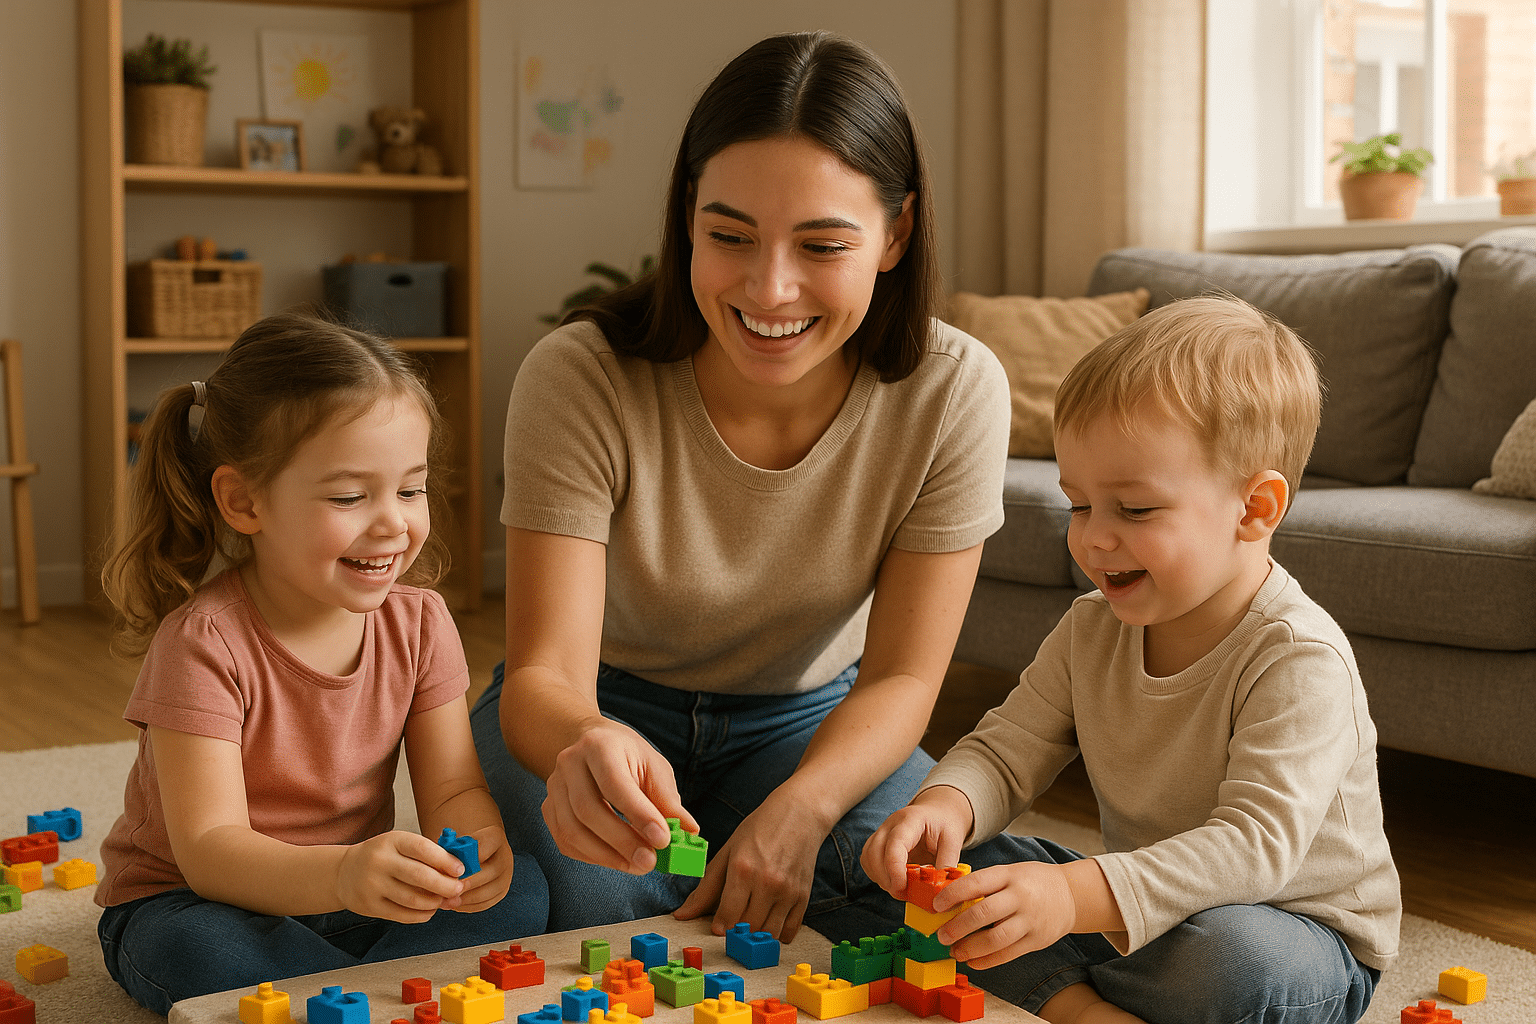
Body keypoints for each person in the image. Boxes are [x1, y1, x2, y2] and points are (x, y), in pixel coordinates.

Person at [471, 30, 1010, 943]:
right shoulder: (580, 375)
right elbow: (542, 675)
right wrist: (582, 745)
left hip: (811, 724)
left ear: (896, 234)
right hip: (601, 706)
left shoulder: (956, 391)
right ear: (687, 215)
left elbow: (905, 677)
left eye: (823, 244)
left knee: (940, 894)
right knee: (613, 918)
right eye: (730, 235)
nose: (770, 289)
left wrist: (802, 810)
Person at [863, 295, 1402, 1024]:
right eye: (1079, 505)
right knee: (962, 878)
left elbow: (1254, 849)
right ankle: (1085, 1007)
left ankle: (1070, 989)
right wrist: (945, 805)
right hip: (1143, 904)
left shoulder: (1297, 657)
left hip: (1293, 933)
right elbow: (1006, 747)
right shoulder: (1093, 627)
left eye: (1135, 510)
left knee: (1235, 964)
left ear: (1255, 509)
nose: (1092, 540)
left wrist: (1073, 898)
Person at [94, 310, 548, 1015]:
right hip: (199, 899)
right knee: (194, 951)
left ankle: (345, 996)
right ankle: (385, 993)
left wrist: (478, 849)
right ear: (243, 500)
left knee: (524, 889)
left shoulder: (422, 622)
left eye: (410, 488)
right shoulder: (202, 643)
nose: (394, 523)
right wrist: (343, 875)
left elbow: (454, 788)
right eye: (348, 496)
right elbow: (211, 850)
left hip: (354, 896)